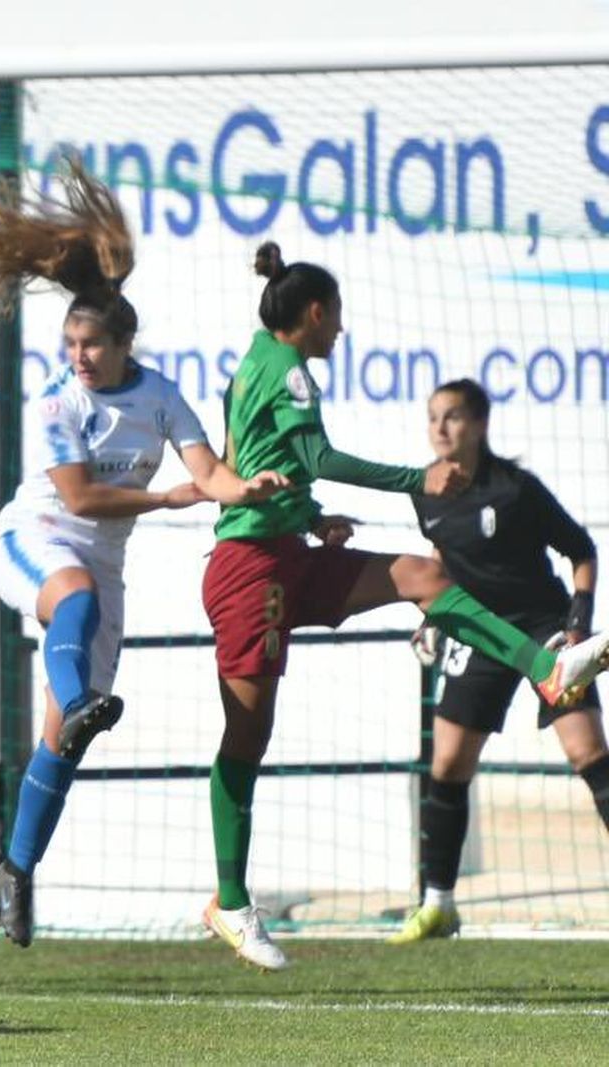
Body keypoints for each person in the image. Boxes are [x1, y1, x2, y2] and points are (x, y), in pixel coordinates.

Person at [199, 244, 609, 971]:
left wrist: (309, 513)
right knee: (247, 736)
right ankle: (230, 899)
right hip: (250, 570)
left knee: (419, 575)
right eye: (338, 320)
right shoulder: (287, 366)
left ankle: (549, 666)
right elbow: (314, 454)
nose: (342, 335)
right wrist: (409, 479)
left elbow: (269, 456)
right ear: (317, 314)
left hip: (289, 555)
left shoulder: (262, 356)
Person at [0, 162, 289, 947]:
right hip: (34, 537)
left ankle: (15, 869)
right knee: (74, 599)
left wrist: (248, 488)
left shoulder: (161, 394)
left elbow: (209, 474)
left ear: (124, 343)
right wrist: (169, 500)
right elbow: (80, 499)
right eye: (70, 342)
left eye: (91, 343)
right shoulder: (61, 402)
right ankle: (82, 705)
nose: (78, 355)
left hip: (101, 565)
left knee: (63, 731)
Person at [388, 379, 603, 942]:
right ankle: (438, 905)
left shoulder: (516, 489)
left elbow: (582, 550)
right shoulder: (424, 493)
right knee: (449, 765)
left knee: (588, 752)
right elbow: (444, 557)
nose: (440, 427)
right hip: (480, 634)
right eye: (433, 416)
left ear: (479, 425)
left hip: (542, 630)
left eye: (453, 416)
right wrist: (433, 616)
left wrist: (576, 627)